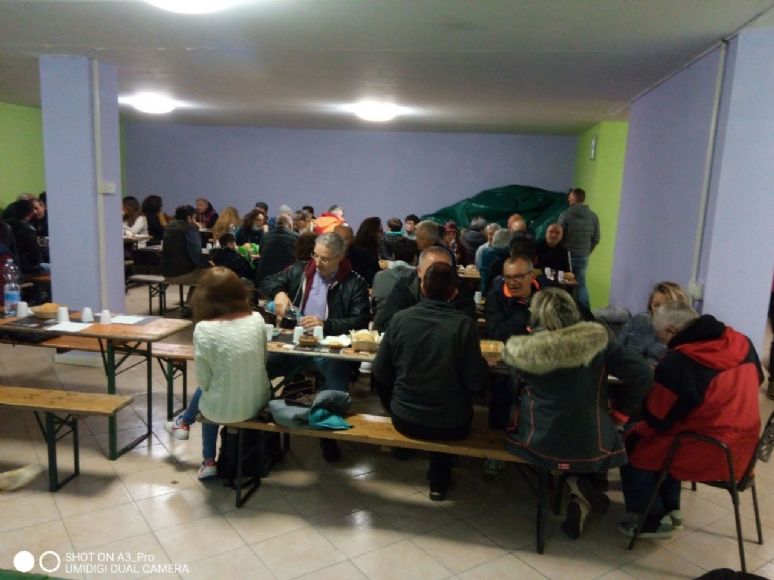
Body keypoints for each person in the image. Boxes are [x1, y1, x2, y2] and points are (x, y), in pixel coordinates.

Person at [504, 287, 652, 539]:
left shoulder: (521, 349)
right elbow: (643, 374)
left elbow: (512, 391)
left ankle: (579, 490)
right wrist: (622, 412)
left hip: (539, 440)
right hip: (591, 442)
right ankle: (581, 490)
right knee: (597, 428)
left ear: (536, 315)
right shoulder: (600, 339)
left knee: (538, 424)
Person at [618, 302, 762, 539]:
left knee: (633, 442)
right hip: (744, 447)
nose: (662, 341)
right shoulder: (742, 341)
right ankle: (672, 510)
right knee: (666, 437)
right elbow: (758, 379)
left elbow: (658, 418)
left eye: (660, 335)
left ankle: (651, 519)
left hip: (709, 450)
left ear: (672, 331)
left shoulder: (680, 360)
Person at [373, 262, 487, 501]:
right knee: (446, 408)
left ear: (422, 287)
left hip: (404, 417)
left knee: (437, 406)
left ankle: (408, 454)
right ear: (454, 292)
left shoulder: (400, 320)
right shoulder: (463, 326)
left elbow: (380, 370)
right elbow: (475, 381)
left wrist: (400, 391)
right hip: (452, 424)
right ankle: (438, 482)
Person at [259, 232, 369, 461]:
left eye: (324, 259)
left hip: (330, 347)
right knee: (261, 369)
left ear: (340, 257)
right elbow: (267, 281)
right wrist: (279, 293)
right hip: (296, 342)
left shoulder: (355, 283)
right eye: (315, 255)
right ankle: (263, 425)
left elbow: (360, 320)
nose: (317, 263)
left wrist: (326, 324)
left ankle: (328, 435)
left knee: (335, 384)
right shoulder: (301, 270)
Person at [165, 267, 271, 479]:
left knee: (211, 396)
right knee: (216, 392)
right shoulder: (257, 319)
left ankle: (207, 459)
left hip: (224, 409)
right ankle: (183, 423)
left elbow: (204, 381)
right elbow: (263, 359)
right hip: (258, 401)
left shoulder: (205, 329)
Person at [373, 245, 474, 332]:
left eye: (445, 272)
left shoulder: (461, 289)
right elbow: (385, 324)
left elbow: (467, 325)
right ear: (419, 271)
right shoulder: (406, 286)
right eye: (431, 272)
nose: (438, 278)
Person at [618, 281, 691, 366]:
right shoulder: (640, 320)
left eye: (666, 306)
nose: (660, 310)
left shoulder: (683, 334)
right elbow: (616, 349)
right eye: (656, 305)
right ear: (650, 306)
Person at [161, 205, 212, 310]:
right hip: (184, 273)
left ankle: (189, 304)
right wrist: (208, 264)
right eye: (194, 217)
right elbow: (196, 255)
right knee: (212, 273)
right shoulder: (190, 229)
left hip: (166, 272)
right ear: (189, 217)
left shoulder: (169, 227)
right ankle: (194, 306)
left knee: (200, 272)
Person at [557, 188, 600, 307]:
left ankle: (565, 310)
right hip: (583, 256)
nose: (568, 199)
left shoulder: (565, 215)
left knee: (565, 285)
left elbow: (558, 235)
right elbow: (596, 238)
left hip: (566, 257)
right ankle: (585, 311)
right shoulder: (593, 217)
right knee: (581, 285)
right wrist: (587, 252)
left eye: (570, 197)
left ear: (573, 199)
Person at [372, 237, 418, 319]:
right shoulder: (419, 278)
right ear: (415, 258)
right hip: (410, 322)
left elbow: (374, 305)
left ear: (393, 256)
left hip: (382, 322)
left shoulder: (379, 276)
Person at [5, 199, 48, 274]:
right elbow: (36, 256)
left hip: (7, 263)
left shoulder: (4, 224)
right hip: (24, 267)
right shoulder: (29, 229)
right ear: (30, 213)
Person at [254, 214, 297, 287]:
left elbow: (261, 253)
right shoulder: (297, 237)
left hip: (263, 279)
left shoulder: (265, 236)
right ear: (290, 225)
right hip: (285, 280)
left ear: (276, 225)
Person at [350, 217, 382, 286]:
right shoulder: (363, 253)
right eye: (380, 231)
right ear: (371, 232)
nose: (382, 234)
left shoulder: (356, 246)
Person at [478, 229, 511, 294]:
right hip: (506, 291)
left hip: (488, 289)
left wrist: (483, 291)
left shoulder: (486, 252)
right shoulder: (509, 255)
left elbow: (484, 273)